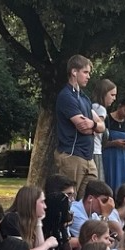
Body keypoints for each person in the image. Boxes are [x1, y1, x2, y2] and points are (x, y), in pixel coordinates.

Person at [53, 56, 100, 195]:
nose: (88, 76)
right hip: (72, 156)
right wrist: (94, 127)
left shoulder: (85, 98)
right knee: (69, 200)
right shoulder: (66, 96)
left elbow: (102, 126)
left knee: (89, 202)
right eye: (85, 72)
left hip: (88, 157)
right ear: (74, 72)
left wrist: (93, 124)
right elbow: (83, 127)